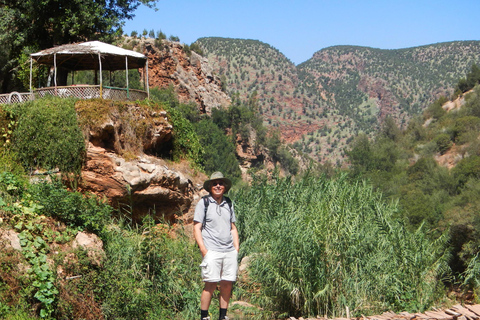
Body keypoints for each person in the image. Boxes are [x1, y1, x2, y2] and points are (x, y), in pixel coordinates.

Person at [193, 172, 240, 320]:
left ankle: (222, 316)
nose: (218, 186)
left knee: (227, 284)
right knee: (210, 284)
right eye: (215, 183)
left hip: (229, 251)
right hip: (211, 251)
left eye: (220, 183)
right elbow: (196, 228)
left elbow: (233, 227)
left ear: (225, 187)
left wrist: (236, 248)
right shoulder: (204, 203)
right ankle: (204, 317)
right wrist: (203, 250)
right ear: (210, 187)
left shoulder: (228, 203)